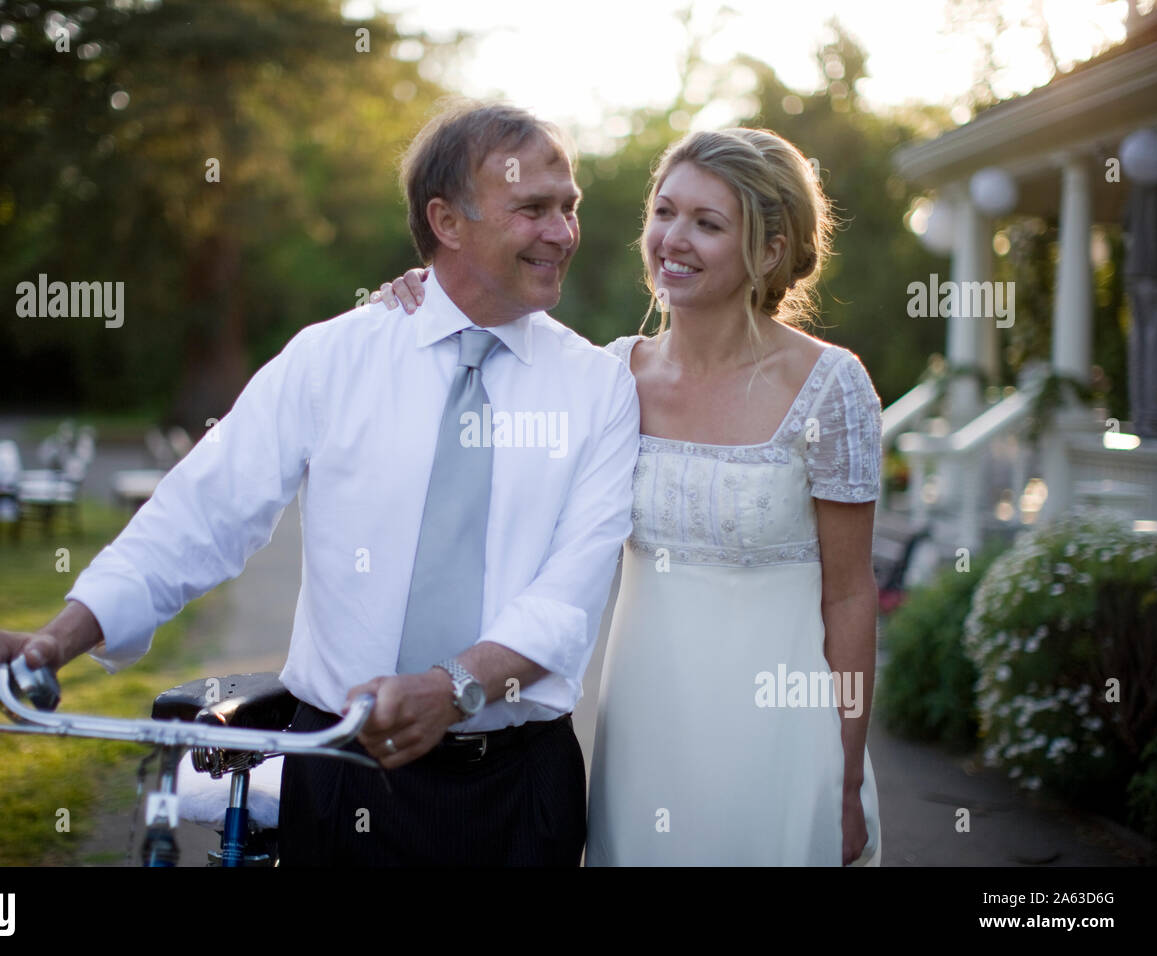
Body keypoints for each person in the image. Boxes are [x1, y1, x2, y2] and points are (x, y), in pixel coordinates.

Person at [0, 101, 641, 866]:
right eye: (533, 210)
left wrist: (453, 686)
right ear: (448, 222)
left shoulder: (600, 388)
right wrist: (55, 641)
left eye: (569, 208)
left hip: (518, 792)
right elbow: (200, 514)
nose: (562, 233)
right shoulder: (331, 358)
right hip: (340, 779)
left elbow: (571, 592)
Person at [376, 127, 883, 865]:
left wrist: (842, 778)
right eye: (665, 212)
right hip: (648, 728)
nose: (673, 239)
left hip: (782, 734)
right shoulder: (612, 377)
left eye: (708, 224)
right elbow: (489, 357)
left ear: (768, 252)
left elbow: (850, 598)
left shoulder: (830, 388)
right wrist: (426, 295)